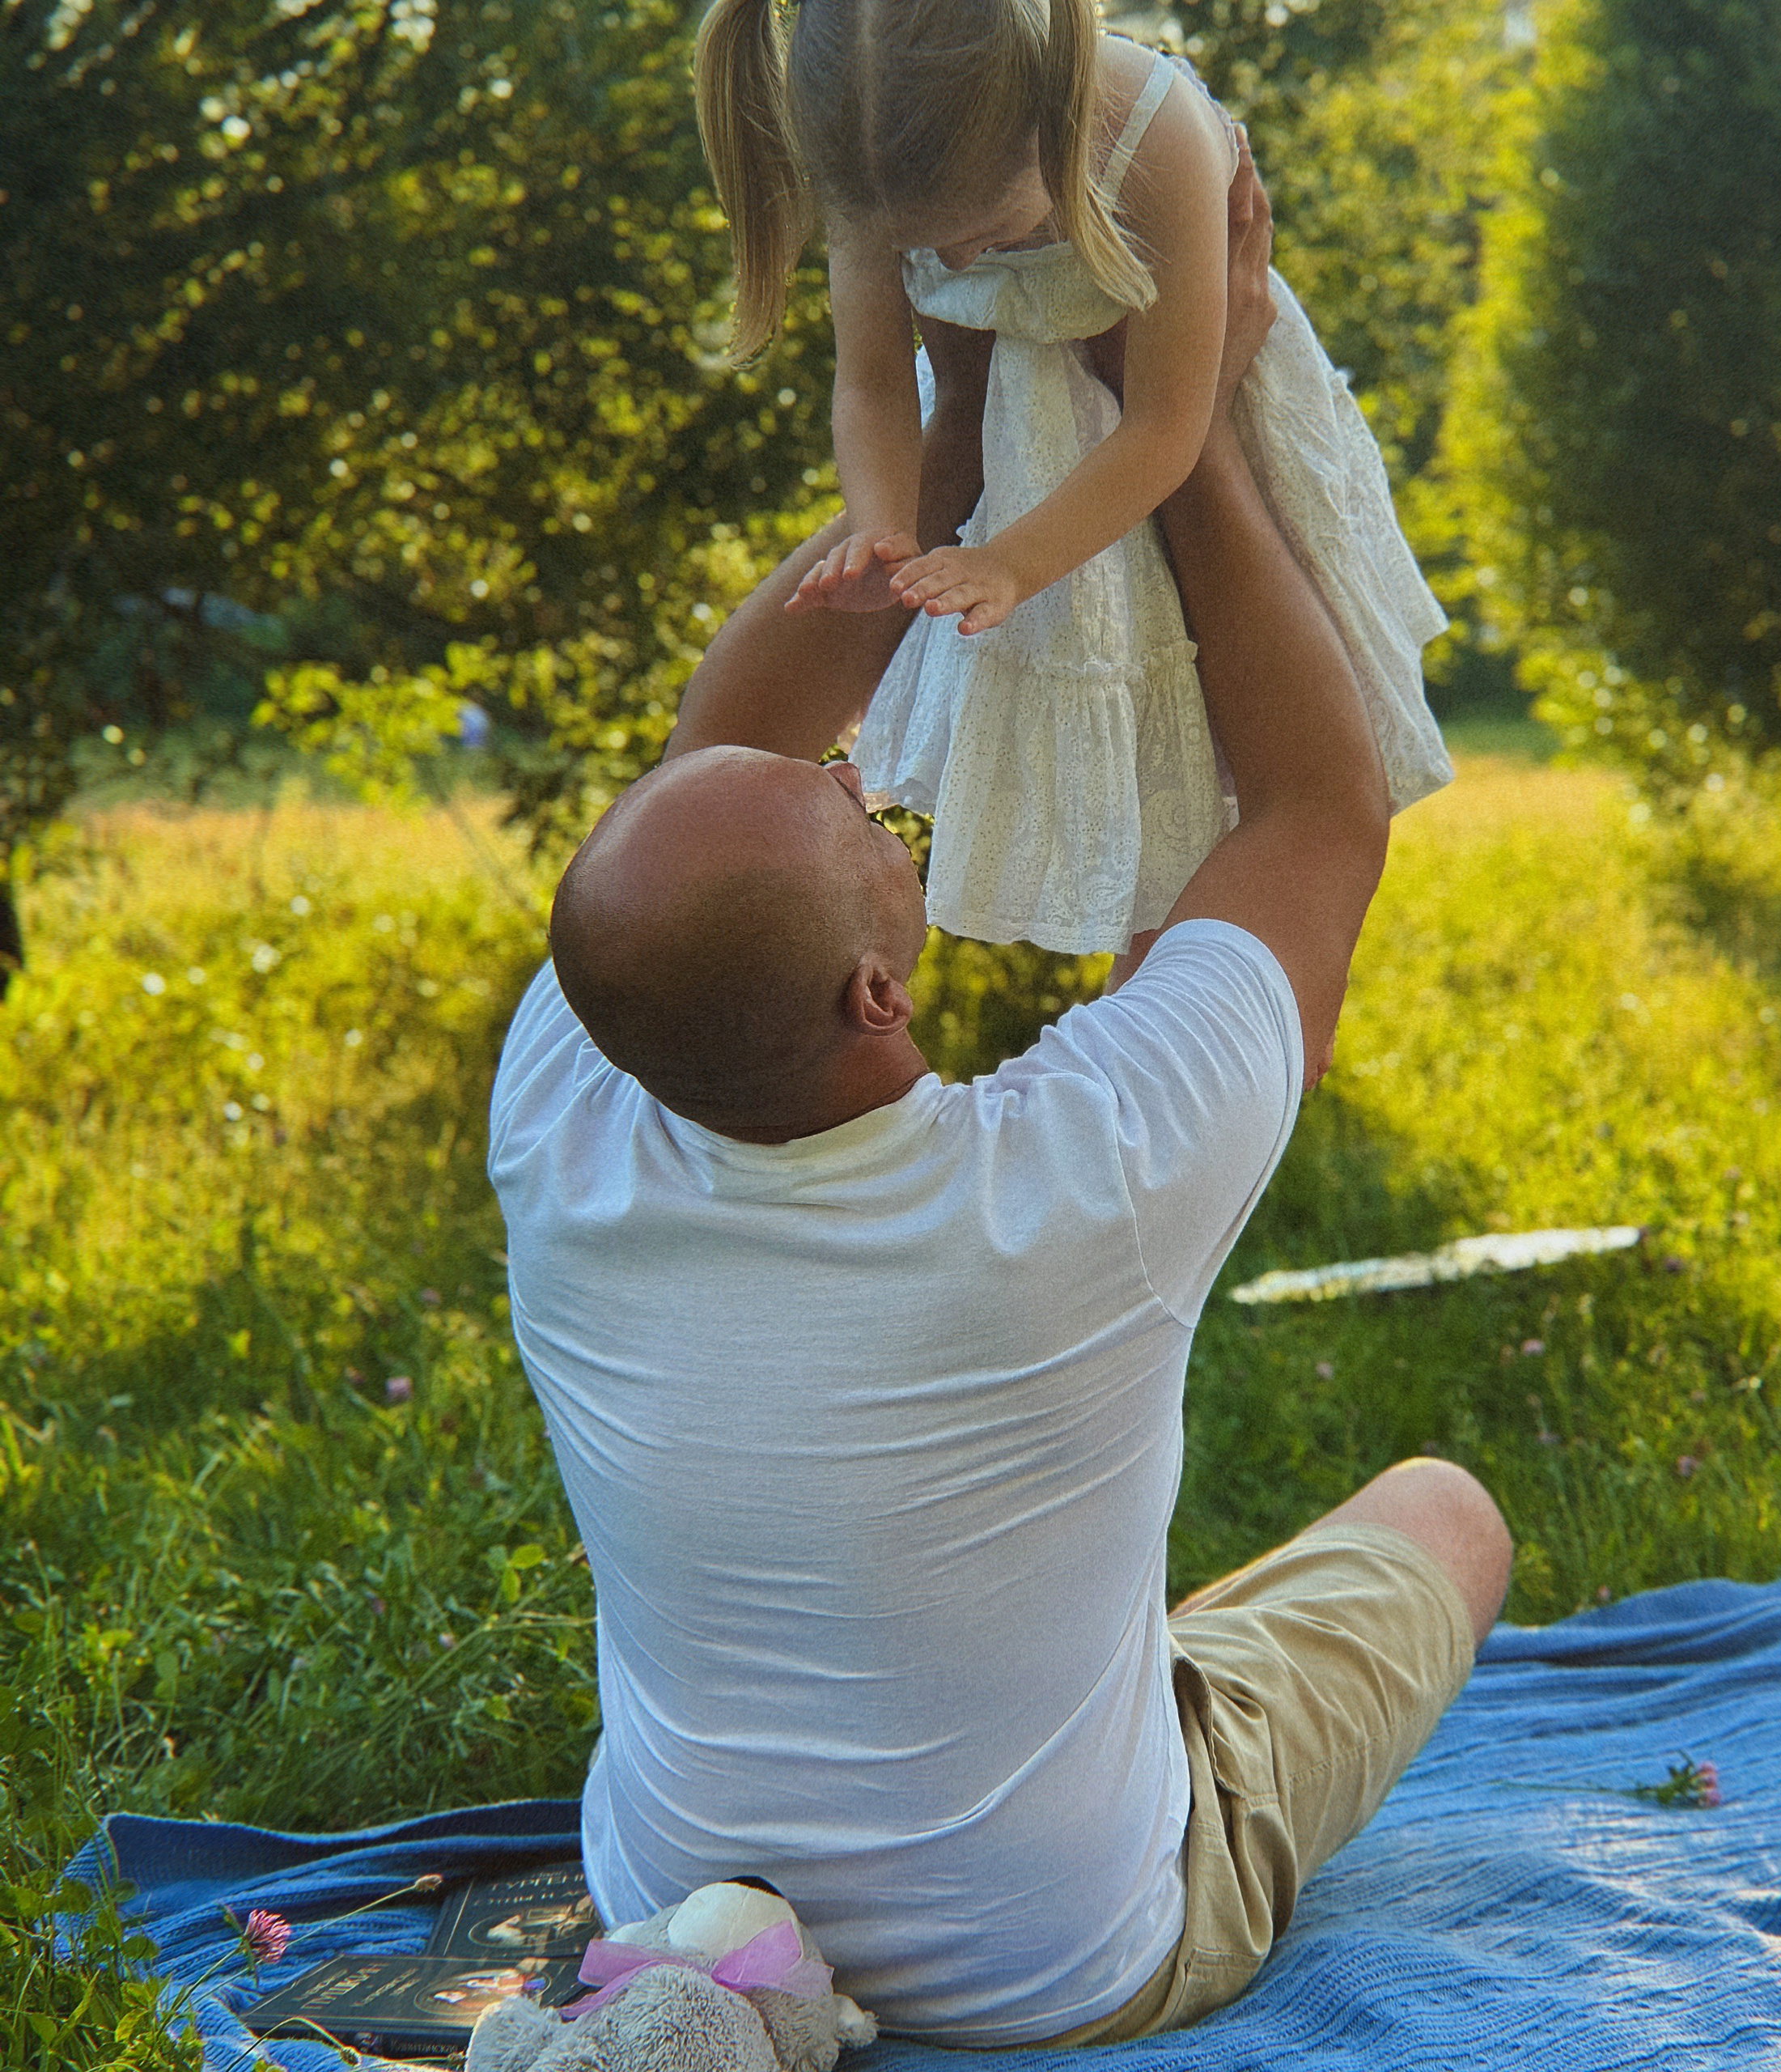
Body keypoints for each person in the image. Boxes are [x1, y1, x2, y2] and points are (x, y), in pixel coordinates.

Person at [486, 160, 1511, 2049]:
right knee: (1441, 1508)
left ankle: (745, 1992)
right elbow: (1315, 814)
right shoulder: (1077, 1193)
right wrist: (1166, 414)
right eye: (866, 818)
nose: (871, 794)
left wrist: (958, 431)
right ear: (878, 990)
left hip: (673, 1887)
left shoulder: (561, 1105)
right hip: (1053, 1966)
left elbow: (722, 757)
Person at [693, 0, 1453, 965]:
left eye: (981, 228)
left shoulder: (1149, 135)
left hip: (1175, 414)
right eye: (930, 247)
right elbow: (874, 384)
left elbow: (1167, 425)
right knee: (1114, 741)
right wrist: (882, 526)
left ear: (1049, 123)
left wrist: (1011, 562)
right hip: (1015, 425)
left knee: (1204, 735)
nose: (960, 261)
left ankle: (1201, 1002)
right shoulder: (872, 155)